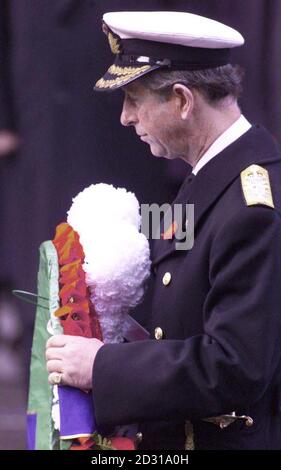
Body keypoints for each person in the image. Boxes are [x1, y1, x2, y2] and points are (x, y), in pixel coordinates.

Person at [46, 11, 281, 450]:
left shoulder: (253, 206)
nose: (125, 117)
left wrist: (103, 367)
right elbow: (175, 307)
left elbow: (235, 366)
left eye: (133, 98)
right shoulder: (208, 179)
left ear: (182, 100)